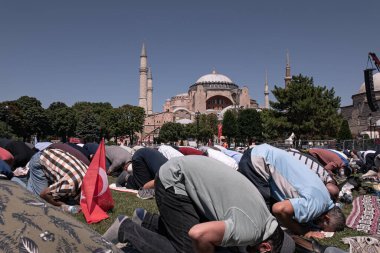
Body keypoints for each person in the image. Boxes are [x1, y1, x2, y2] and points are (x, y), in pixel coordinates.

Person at [105, 156, 295, 253]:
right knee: (188, 249)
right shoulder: (251, 230)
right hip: (175, 180)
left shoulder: (265, 219)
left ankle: (145, 220)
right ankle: (126, 228)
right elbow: (199, 234)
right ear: (265, 248)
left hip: (186, 176)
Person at [238, 144, 345, 237]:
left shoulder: (325, 197)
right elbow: (279, 209)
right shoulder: (316, 207)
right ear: (326, 219)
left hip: (261, 154)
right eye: (322, 228)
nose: (320, 229)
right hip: (258, 161)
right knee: (261, 217)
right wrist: (304, 231)